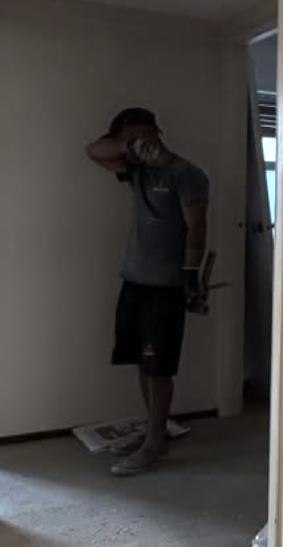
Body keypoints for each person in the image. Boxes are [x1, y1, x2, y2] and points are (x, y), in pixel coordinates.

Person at [85, 107, 209, 476]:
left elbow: (197, 230)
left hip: (165, 287)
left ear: (156, 131)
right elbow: (93, 151)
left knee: (159, 368)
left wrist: (190, 276)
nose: (135, 144)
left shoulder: (186, 175)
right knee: (142, 361)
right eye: (127, 139)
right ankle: (155, 430)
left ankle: (155, 445)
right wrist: (130, 147)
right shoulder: (135, 170)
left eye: (141, 136)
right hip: (135, 281)